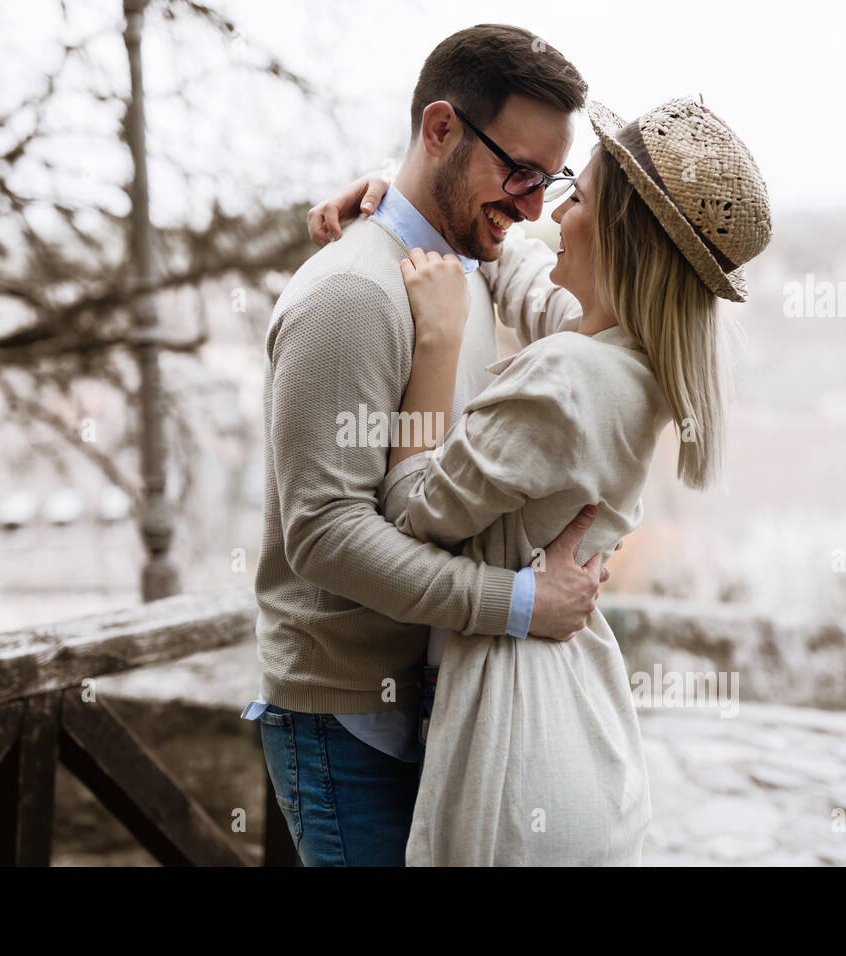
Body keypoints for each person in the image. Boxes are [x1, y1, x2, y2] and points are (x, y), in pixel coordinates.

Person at [329, 95, 772, 863]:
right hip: (576, 734)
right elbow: (533, 277)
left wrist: (437, 345)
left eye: (582, 196)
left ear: (622, 239)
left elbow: (410, 515)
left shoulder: (569, 378)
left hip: (516, 749)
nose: (555, 214)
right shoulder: (633, 363)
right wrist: (408, 200)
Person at [243, 24, 611, 867]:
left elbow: (590, 318)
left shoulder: (466, 263)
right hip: (346, 721)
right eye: (517, 173)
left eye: (549, 181)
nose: (531, 207)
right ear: (440, 129)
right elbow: (326, 533)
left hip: (424, 704)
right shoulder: (350, 295)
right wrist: (520, 605)